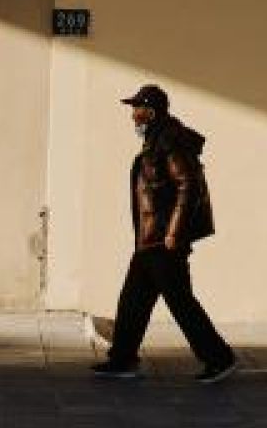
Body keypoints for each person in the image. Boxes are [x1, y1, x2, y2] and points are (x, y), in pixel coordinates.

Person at [92, 83, 238, 383]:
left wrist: (174, 232)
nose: (133, 115)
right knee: (133, 299)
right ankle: (122, 359)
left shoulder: (169, 141)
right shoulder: (157, 139)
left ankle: (219, 358)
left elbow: (188, 185)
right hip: (150, 239)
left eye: (137, 109)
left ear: (152, 112)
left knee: (181, 302)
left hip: (164, 240)